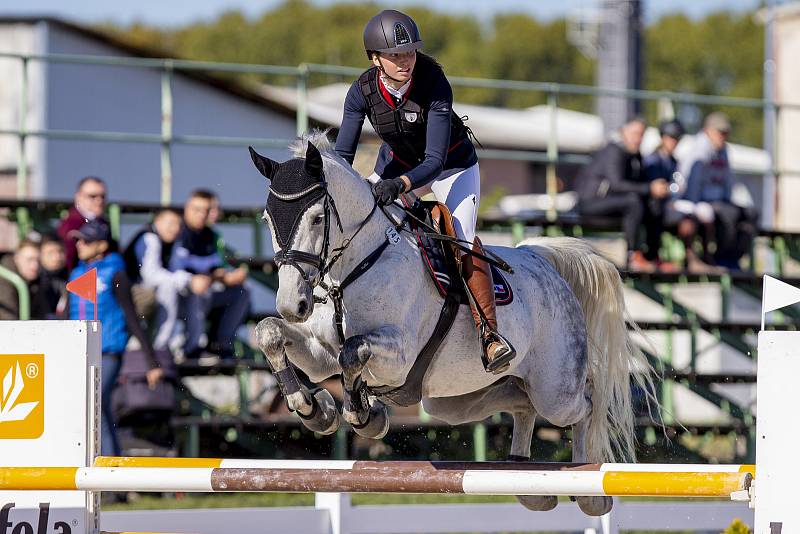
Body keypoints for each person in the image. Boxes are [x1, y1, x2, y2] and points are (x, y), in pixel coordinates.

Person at [334, 9, 515, 374]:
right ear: (374, 58)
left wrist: (400, 187)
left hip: (451, 166)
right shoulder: (361, 91)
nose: (405, 62)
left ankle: (490, 335)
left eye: (410, 53)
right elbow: (341, 156)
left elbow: (432, 162)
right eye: (396, 55)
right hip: (395, 164)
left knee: (460, 239)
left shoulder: (433, 81)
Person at [66, 219, 163, 456]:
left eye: (86, 240)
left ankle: (108, 474)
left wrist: (151, 362)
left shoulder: (116, 272)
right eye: (78, 239)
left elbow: (132, 317)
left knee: (95, 405)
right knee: (100, 409)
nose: (80, 244)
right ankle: (112, 478)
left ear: (101, 245)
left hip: (108, 350)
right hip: (79, 350)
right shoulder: (77, 272)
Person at [576, 117, 670, 272]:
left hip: (614, 202)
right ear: (622, 132)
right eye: (635, 133)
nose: (638, 138)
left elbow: (638, 184)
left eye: (641, 134)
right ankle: (633, 256)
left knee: (654, 202)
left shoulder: (634, 154)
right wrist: (650, 188)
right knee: (633, 201)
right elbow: (617, 184)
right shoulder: (614, 150)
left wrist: (655, 190)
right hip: (591, 202)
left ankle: (653, 256)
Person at [172, 189, 250, 360]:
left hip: (204, 292)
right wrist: (207, 278)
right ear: (187, 208)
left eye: (206, 210)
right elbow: (174, 273)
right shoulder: (176, 231)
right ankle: (192, 348)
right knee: (198, 291)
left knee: (242, 291)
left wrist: (227, 277)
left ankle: (221, 345)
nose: (202, 215)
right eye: (197, 209)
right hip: (177, 296)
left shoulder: (211, 235)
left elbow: (215, 270)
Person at [678, 112, 758, 271]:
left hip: (720, 201)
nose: (723, 136)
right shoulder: (698, 151)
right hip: (701, 201)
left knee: (751, 214)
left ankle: (734, 258)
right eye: (720, 132)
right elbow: (690, 183)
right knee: (729, 214)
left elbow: (727, 180)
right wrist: (695, 207)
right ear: (708, 130)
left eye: (725, 132)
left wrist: (728, 200)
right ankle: (721, 257)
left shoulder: (723, 151)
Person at [123, 208, 194, 351]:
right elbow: (151, 276)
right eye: (171, 223)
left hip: (147, 294)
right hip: (131, 293)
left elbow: (176, 269)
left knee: (195, 296)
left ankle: (189, 346)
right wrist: (189, 280)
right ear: (158, 222)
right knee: (169, 288)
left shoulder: (173, 242)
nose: (175, 229)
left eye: (178, 225)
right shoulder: (150, 238)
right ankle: (161, 347)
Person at [643, 119, 685, 272]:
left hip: (668, 205)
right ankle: (653, 256)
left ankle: (688, 259)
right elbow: (654, 188)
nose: (674, 142)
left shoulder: (673, 161)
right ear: (662, 137)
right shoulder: (652, 159)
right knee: (656, 209)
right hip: (654, 206)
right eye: (671, 137)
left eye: (677, 138)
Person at [57, 176, 109, 270]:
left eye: (102, 196)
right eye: (92, 196)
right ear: (78, 197)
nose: (99, 201)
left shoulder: (103, 223)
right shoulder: (70, 225)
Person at [0, 239, 48, 320]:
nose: (35, 266)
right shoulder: (6, 279)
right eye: (29, 259)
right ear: (16, 258)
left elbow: (41, 315)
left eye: (38, 260)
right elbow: (9, 320)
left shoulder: (39, 280)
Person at [38, 234, 68, 317]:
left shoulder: (73, 278)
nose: (57, 257)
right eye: (50, 253)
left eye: (60, 251)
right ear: (40, 254)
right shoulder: (34, 281)